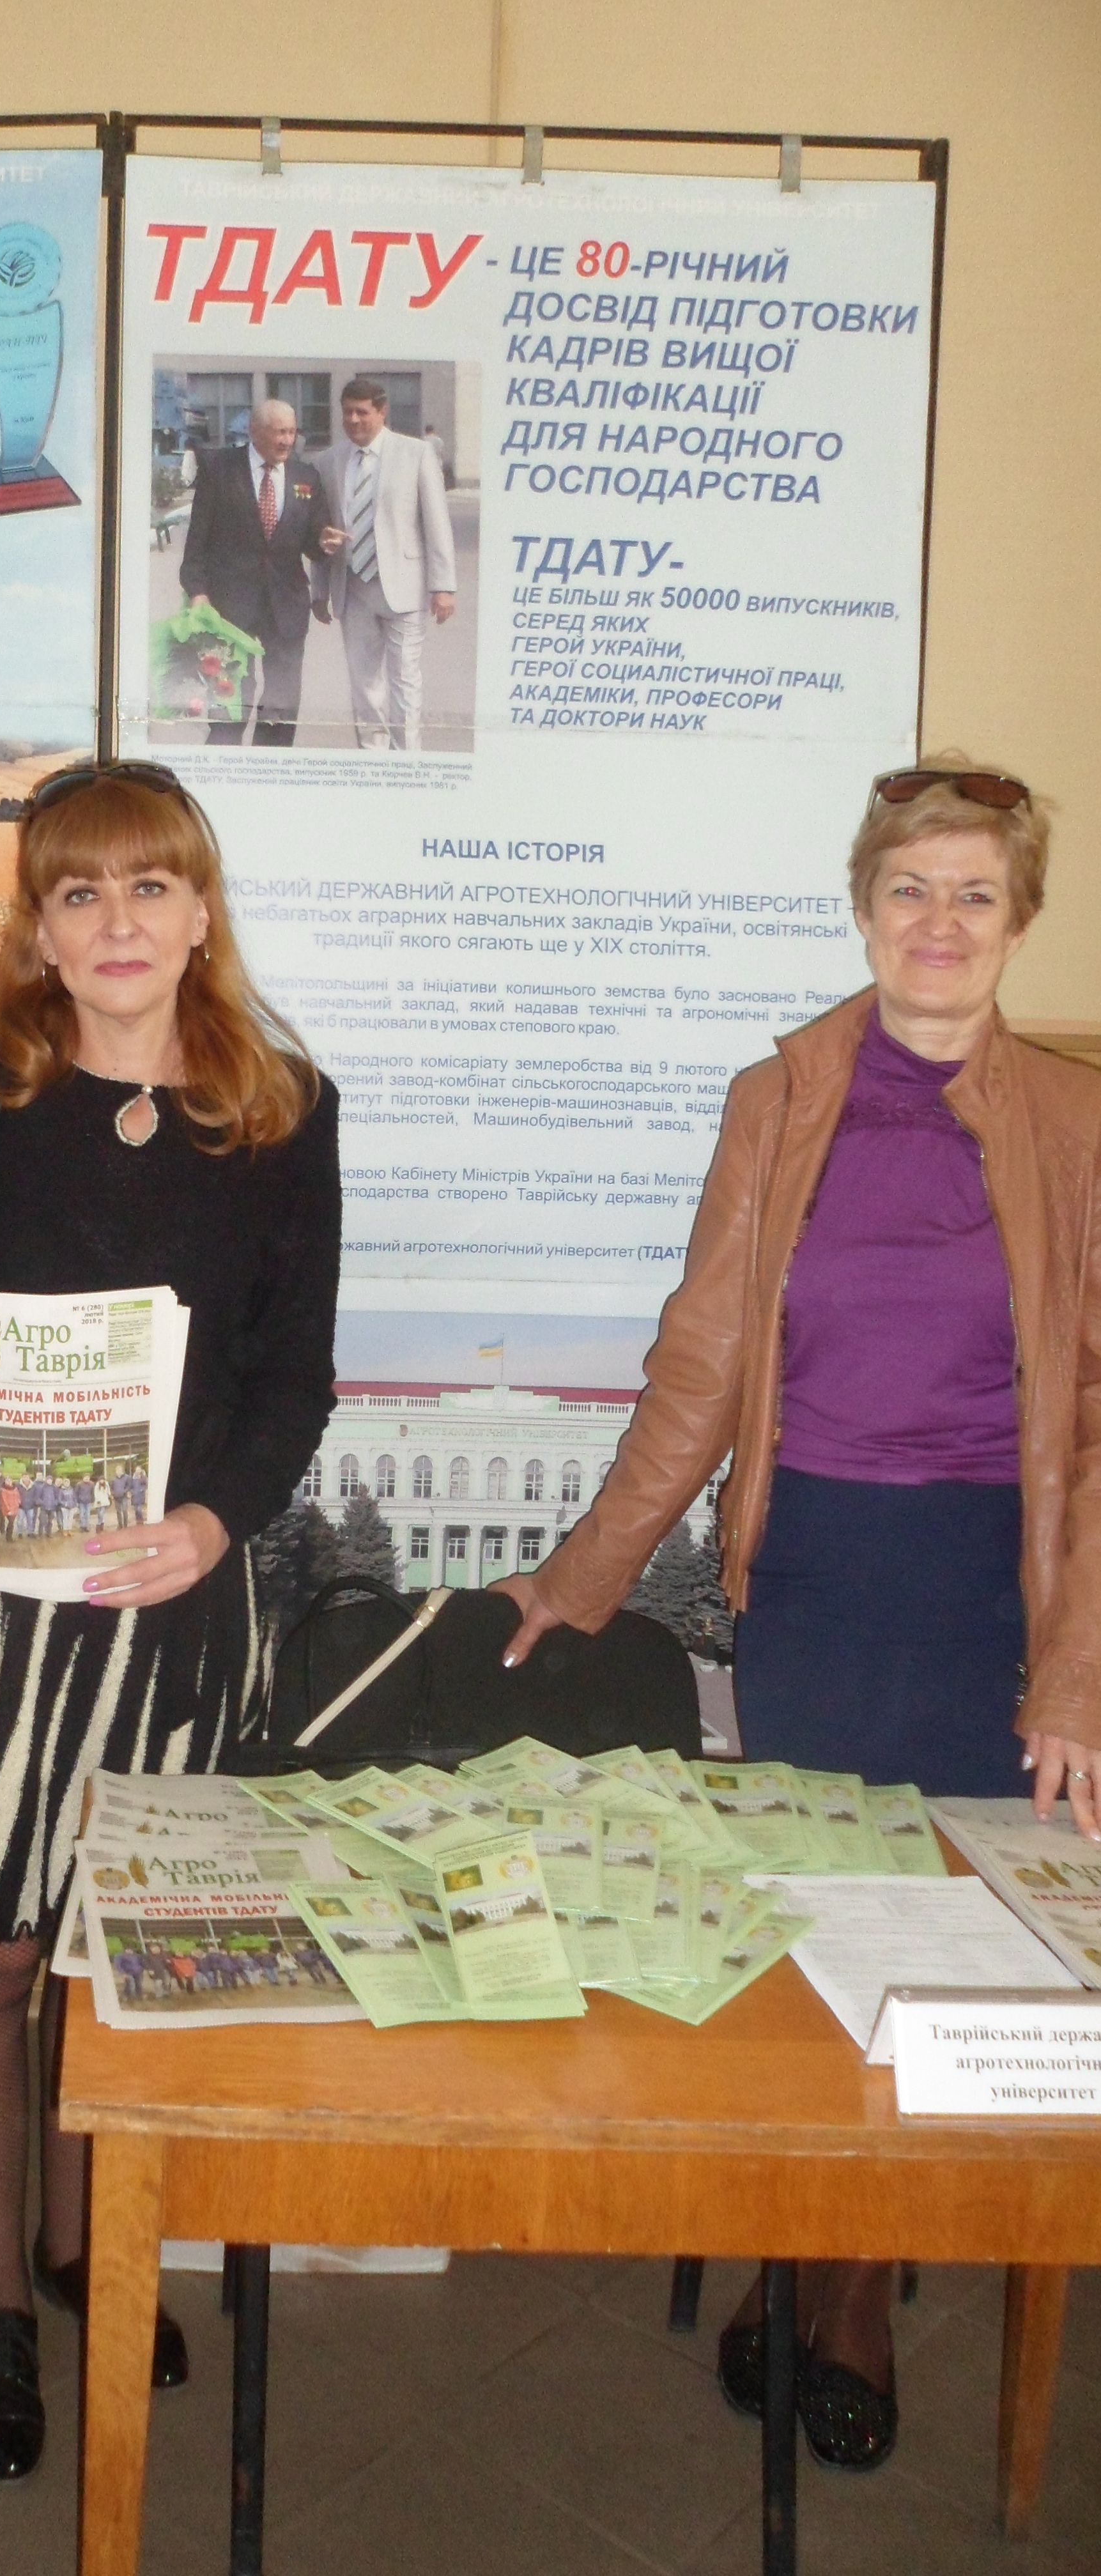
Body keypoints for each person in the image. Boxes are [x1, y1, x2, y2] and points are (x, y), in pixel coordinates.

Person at [496, 756, 1101, 2473]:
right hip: (818, 1581)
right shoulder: (779, 1099)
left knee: (946, 1957)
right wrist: (584, 1574)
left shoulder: (1077, 1125)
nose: (937, 922)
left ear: (1018, 919)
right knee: (821, 1944)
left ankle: (846, 2297)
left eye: (973, 893)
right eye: (909, 888)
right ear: (862, 905)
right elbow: (699, 1365)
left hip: (991, 1593)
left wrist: (1077, 1671)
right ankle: (811, 2249)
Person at [0, 757, 339, 2480]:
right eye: (79, 891)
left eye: (148, 886)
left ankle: (79, 2241)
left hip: (167, 1604)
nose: (117, 922)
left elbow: (291, 1378)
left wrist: (209, 1523)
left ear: (199, 910)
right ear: (39, 927)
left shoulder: (284, 1110)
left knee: (115, 1960)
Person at [311, 377, 458, 752]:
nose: (354, 420)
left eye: (362, 412)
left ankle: (406, 760)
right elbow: (322, 529)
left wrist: (443, 587)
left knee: (405, 679)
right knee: (364, 683)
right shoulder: (328, 462)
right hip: (353, 587)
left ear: (382, 412)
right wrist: (320, 590)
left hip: (404, 588)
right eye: (347, 412)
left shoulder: (416, 454)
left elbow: (436, 522)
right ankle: (373, 760)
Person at [178, 401, 333, 746]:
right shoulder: (219, 470)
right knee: (230, 700)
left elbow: (314, 542)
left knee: (282, 701)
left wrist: (324, 542)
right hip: (229, 609)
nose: (287, 440)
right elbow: (197, 543)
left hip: (287, 607)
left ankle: (270, 766)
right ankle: (224, 768)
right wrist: (198, 592)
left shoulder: (306, 477)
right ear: (254, 431)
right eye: (279, 432)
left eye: (291, 432)